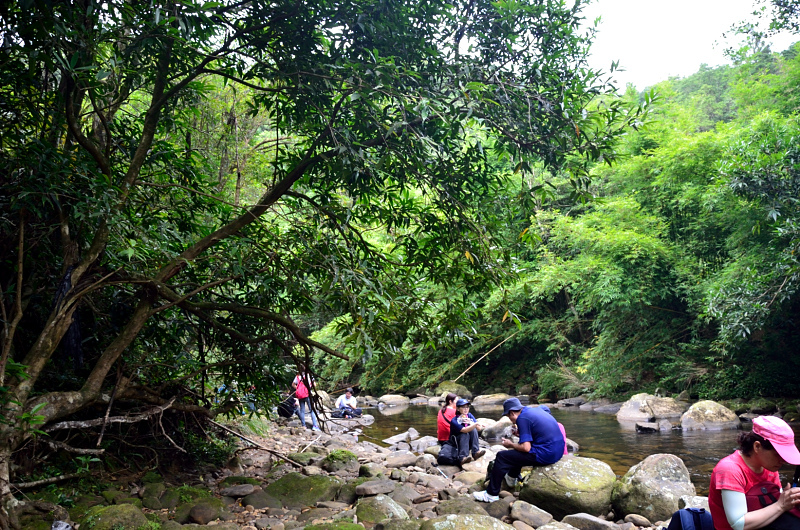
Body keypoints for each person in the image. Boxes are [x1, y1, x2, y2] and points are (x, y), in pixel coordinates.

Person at [709, 416, 800, 530]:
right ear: (757, 446)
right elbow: (739, 524)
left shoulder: (769, 467)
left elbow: (776, 505)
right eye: (778, 455)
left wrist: (787, 498)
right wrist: (780, 505)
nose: (783, 460)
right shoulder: (730, 469)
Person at [473, 397, 564, 503]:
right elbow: (538, 433)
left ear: (512, 413)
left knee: (502, 456)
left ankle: (491, 494)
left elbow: (526, 448)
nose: (511, 420)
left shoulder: (522, 418)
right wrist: (519, 434)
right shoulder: (535, 410)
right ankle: (512, 478)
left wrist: (510, 444)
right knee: (516, 454)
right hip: (558, 452)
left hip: (546, 455)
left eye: (508, 417)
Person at [437, 398, 486, 466]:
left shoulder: (469, 415)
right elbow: (464, 430)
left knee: (473, 430)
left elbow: (478, 428)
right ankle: (462, 457)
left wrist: (471, 422)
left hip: (467, 443)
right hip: (456, 443)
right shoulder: (454, 420)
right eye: (463, 407)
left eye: (467, 407)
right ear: (457, 408)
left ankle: (475, 453)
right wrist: (474, 424)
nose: (466, 409)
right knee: (464, 434)